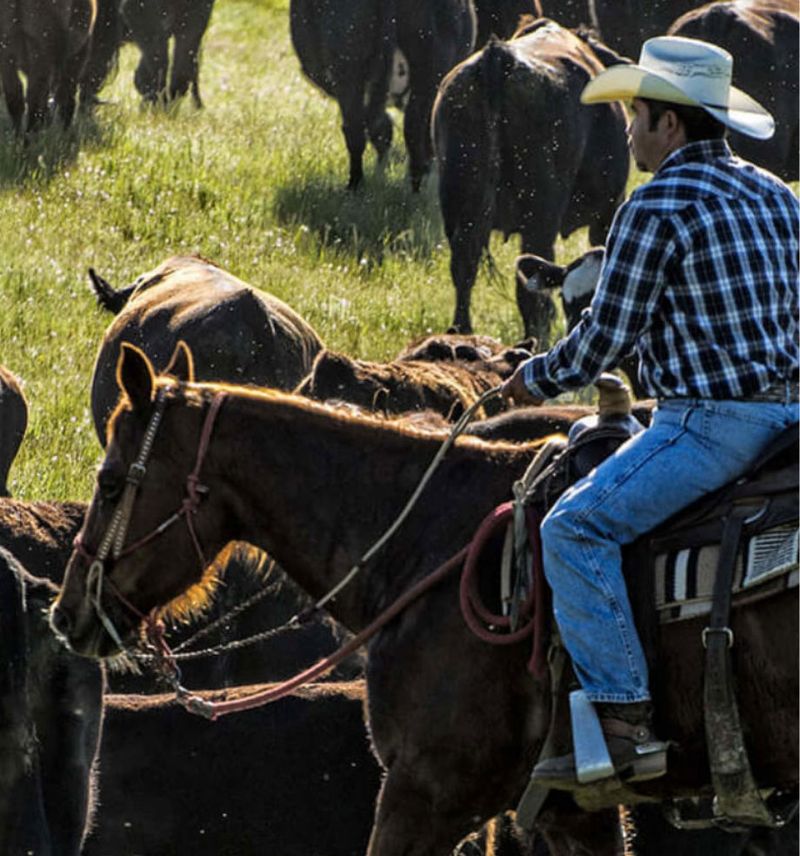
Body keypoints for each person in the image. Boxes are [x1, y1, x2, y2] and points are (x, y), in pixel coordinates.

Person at [502, 35, 799, 791]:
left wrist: (532, 380)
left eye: (636, 115)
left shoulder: (655, 204)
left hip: (708, 426)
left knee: (572, 528)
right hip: (790, 423)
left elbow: (605, 335)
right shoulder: (778, 196)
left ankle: (623, 725)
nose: (629, 130)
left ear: (669, 124)